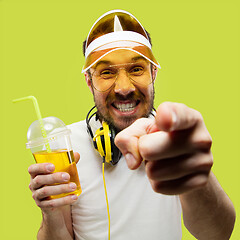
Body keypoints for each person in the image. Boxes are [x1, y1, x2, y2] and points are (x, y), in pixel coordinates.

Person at [28, 10, 236, 240]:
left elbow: (219, 234)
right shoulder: (64, 146)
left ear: (153, 73)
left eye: (136, 69)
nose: (123, 88)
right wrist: (51, 212)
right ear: (89, 82)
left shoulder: (175, 139)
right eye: (106, 72)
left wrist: (197, 175)